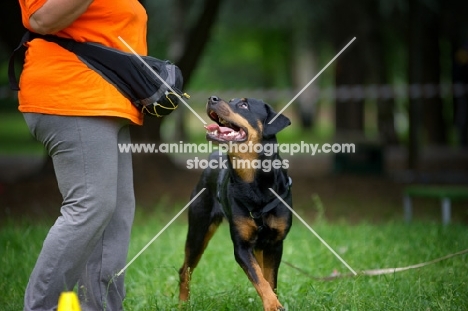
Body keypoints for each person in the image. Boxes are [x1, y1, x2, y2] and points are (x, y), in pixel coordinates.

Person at [17, 0, 148, 310]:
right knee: (92, 205)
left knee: (114, 217)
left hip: (108, 101)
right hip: (71, 95)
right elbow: (41, 18)